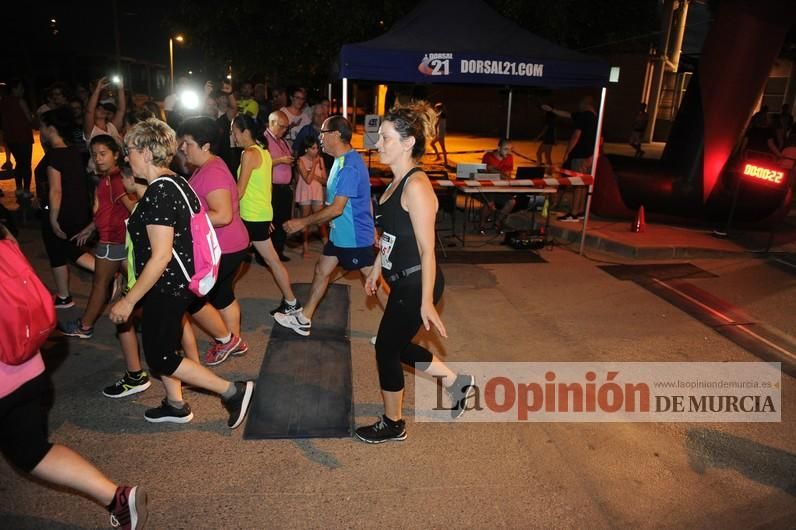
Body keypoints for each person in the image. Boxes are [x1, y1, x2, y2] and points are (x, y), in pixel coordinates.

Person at [0, 224, 148, 529]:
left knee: (30, 451)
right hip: (27, 367)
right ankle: (116, 497)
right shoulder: (3, 235)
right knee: (32, 451)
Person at [109, 118, 253, 427]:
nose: (125, 156)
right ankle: (175, 404)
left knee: (161, 355)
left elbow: (160, 255)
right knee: (166, 343)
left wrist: (128, 301)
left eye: (129, 149)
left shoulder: (161, 191)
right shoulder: (174, 180)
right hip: (178, 281)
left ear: (147, 152)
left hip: (168, 284)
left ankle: (232, 391)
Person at [355, 102, 475, 443]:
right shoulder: (393, 184)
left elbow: (427, 249)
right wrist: (377, 268)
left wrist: (425, 301)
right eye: (379, 136)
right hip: (400, 280)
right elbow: (391, 236)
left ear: (408, 143)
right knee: (396, 344)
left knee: (386, 349)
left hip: (418, 282)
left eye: (387, 137)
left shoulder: (416, 186)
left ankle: (393, 423)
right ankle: (457, 383)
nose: (378, 143)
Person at [58, 136, 150, 398]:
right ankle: (142, 317)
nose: (98, 158)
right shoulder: (108, 177)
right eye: (94, 154)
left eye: (103, 154)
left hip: (113, 241)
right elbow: (108, 210)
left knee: (101, 285)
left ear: (116, 154)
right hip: (113, 239)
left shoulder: (118, 177)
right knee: (133, 283)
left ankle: (85, 326)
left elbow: (133, 208)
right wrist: (91, 228)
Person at [275, 115, 377, 337]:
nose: (319, 137)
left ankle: (400, 327)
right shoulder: (340, 160)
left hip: (354, 238)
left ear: (336, 135)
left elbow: (336, 209)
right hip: (340, 234)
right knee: (322, 270)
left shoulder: (349, 166)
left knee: (375, 283)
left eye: (323, 132)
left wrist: (302, 222)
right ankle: (304, 319)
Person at [177, 117, 250, 366]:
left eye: (187, 143)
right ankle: (232, 341)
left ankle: (227, 340)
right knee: (222, 295)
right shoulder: (208, 166)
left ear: (205, 145)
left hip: (225, 247)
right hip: (230, 245)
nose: (183, 148)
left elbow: (222, 214)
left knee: (193, 297)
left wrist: (186, 219)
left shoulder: (214, 172)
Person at [232, 113, 303, 317]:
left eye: (234, 132)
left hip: (250, 218)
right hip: (259, 216)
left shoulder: (249, 154)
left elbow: (240, 191)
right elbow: (265, 188)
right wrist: (267, 217)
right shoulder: (263, 152)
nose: (233, 136)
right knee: (271, 261)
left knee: (230, 261)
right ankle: (291, 302)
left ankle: (220, 299)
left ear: (244, 132)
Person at [37, 107, 95, 309]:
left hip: (61, 211)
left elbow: (56, 190)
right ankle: (63, 296)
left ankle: (108, 273)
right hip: (77, 209)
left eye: (42, 126)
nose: (40, 130)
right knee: (58, 251)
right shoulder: (72, 151)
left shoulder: (55, 155)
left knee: (69, 250)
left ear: (51, 128)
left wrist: (53, 218)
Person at [543, 98, 598, 222]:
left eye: (580, 104)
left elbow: (576, 136)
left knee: (577, 184)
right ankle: (580, 211)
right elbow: (568, 114)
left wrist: (567, 153)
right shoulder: (597, 118)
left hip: (579, 154)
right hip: (590, 156)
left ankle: (573, 213)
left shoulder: (584, 117)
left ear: (585, 104)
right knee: (583, 185)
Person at [264, 110, 294, 261]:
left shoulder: (282, 140)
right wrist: (281, 160)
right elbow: (261, 162)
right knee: (271, 221)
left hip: (284, 188)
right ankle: (266, 255)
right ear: (272, 123)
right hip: (271, 187)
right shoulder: (264, 140)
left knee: (283, 220)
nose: (284, 130)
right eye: (282, 126)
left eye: (286, 128)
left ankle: (279, 250)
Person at [0, 79, 34, 199]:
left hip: (10, 137)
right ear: (14, 89)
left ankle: (18, 188)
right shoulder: (20, 101)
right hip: (23, 136)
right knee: (26, 164)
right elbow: (29, 119)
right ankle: (26, 190)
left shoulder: (3, 101)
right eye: (20, 88)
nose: (22, 90)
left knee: (19, 163)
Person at [295, 136, 328, 256]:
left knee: (321, 220)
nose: (316, 150)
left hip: (317, 191)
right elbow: (308, 180)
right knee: (305, 220)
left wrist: (315, 176)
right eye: (313, 148)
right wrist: (314, 165)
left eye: (317, 148)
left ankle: (327, 246)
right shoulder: (300, 160)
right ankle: (305, 248)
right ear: (306, 149)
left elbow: (325, 181)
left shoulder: (321, 160)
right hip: (305, 192)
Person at [478, 138, 516, 233]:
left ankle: (497, 222)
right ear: (499, 148)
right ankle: (481, 225)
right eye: (506, 149)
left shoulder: (510, 158)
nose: (508, 152)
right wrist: (499, 173)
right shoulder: (488, 156)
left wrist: (495, 171)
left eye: (510, 149)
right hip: (487, 187)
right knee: (490, 204)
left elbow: (507, 175)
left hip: (501, 188)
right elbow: (485, 172)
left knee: (512, 202)